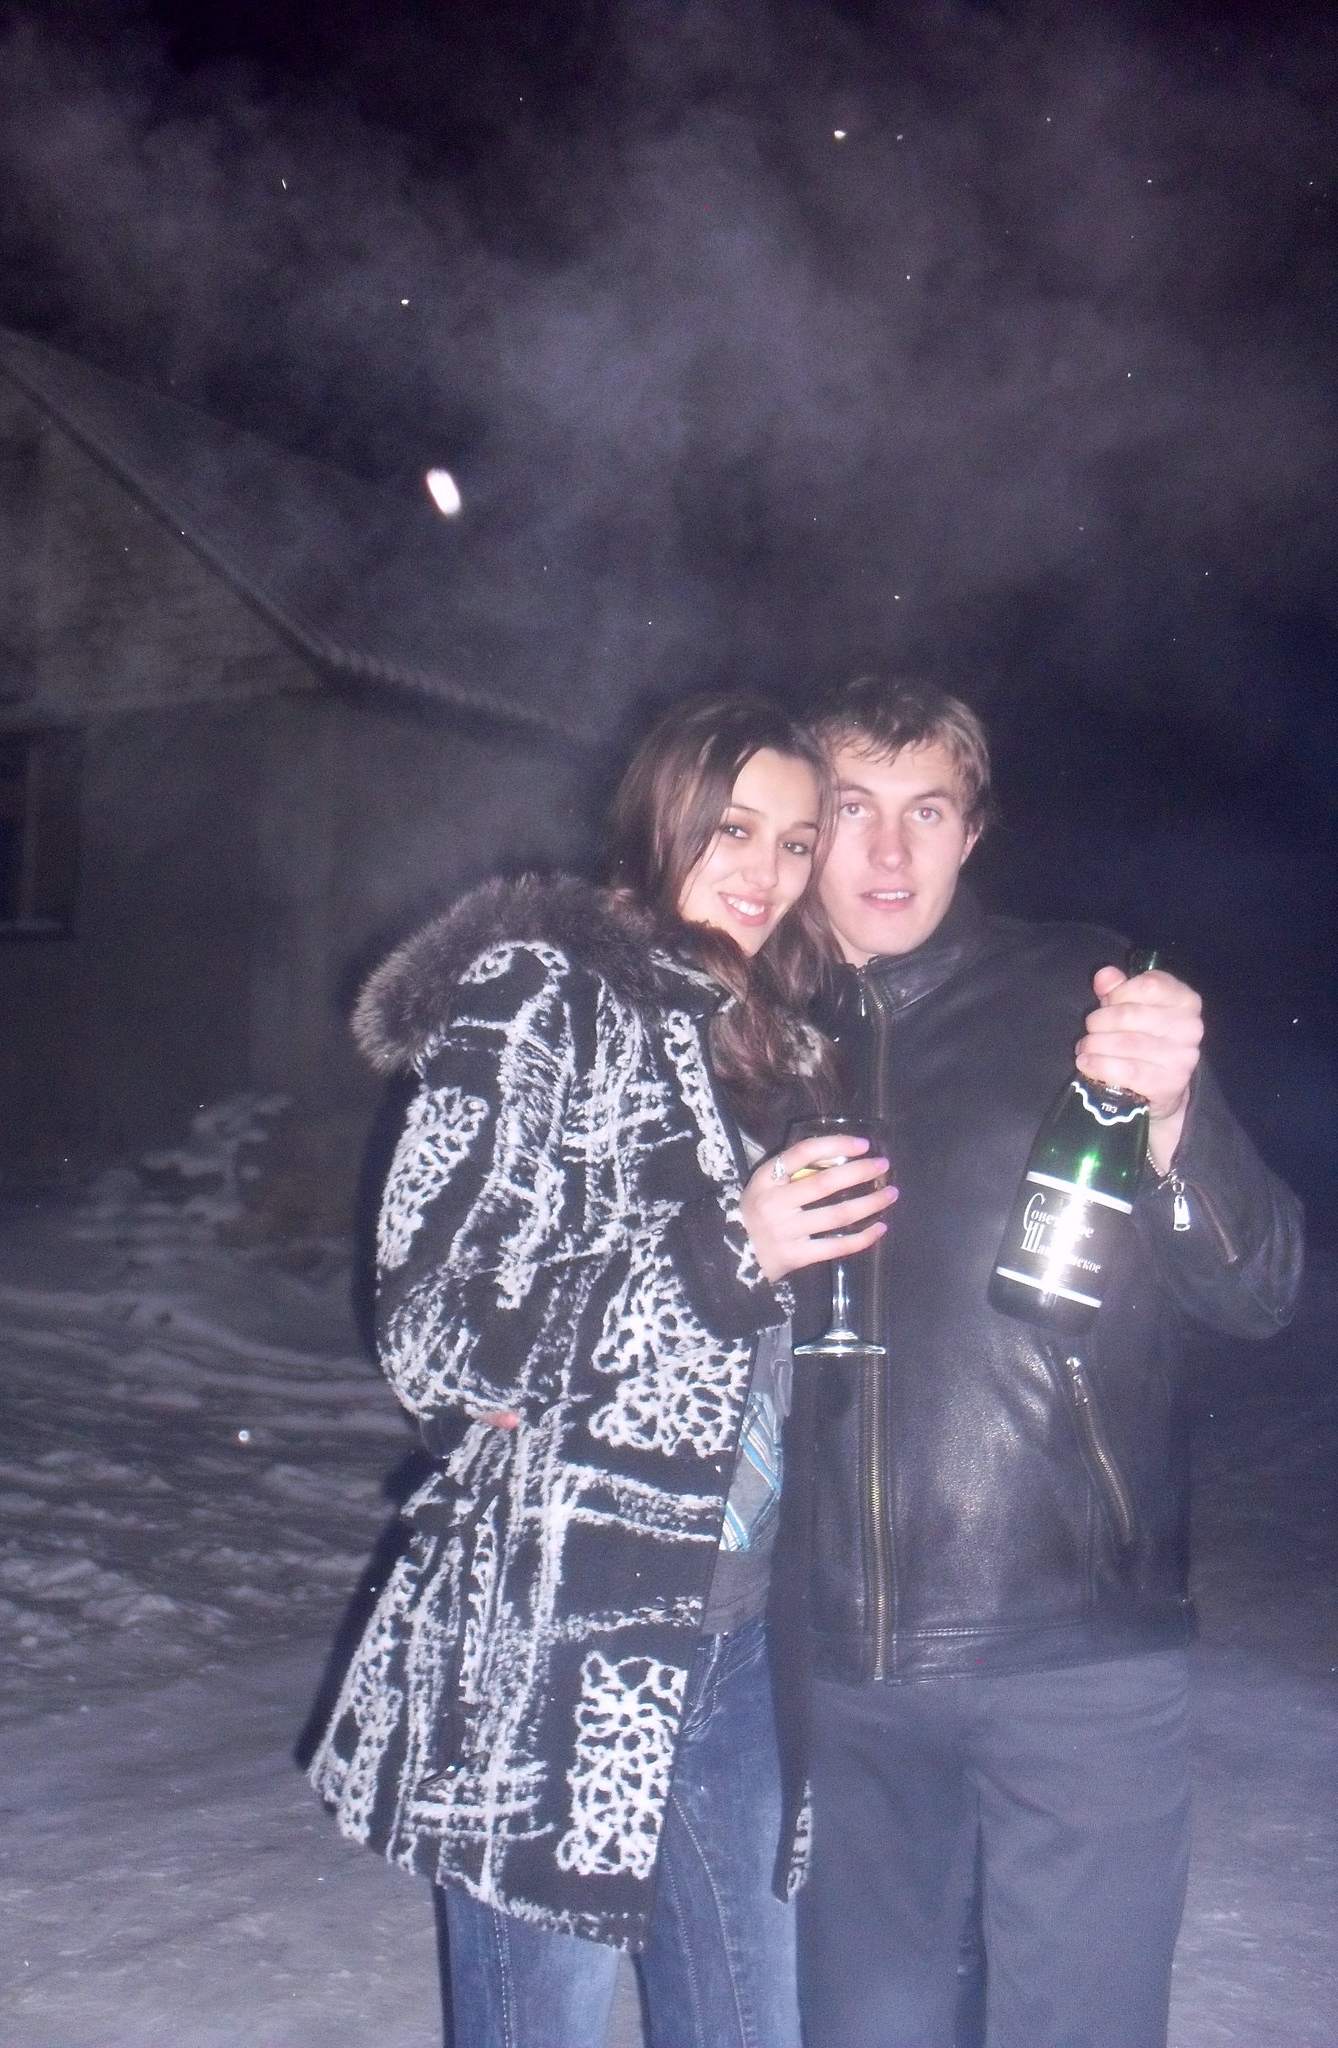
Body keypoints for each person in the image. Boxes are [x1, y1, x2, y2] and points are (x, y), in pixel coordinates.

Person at [312, 696, 894, 2048]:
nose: (766, 871)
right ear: (661, 818)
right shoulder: (539, 996)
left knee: (750, 2024)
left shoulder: (772, 1039)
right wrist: (726, 1251)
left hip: (736, 1631)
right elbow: (434, 1340)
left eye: (795, 841)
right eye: (734, 829)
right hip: (555, 1642)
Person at [747, 677, 1303, 2048]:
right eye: (855, 811)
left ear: (974, 829)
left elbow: (1260, 1288)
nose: (889, 853)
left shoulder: (1083, 997)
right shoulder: (753, 1034)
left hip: (1076, 1654)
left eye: (927, 811)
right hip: (842, 1669)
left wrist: (1174, 1120)